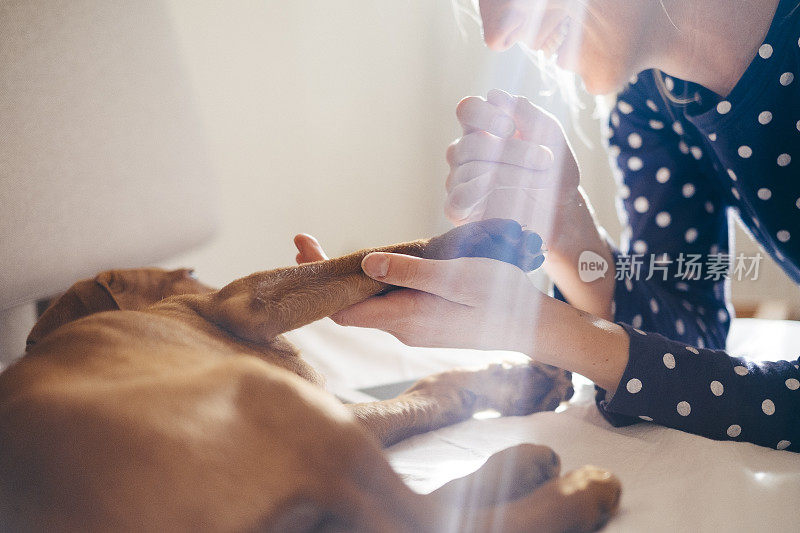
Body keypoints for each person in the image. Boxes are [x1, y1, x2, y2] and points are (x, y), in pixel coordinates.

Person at [295, 0, 800, 452]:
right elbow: (692, 345)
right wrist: (566, 231)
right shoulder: (649, 103)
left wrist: (541, 330)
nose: (497, 34)